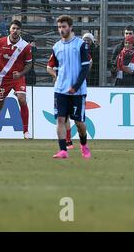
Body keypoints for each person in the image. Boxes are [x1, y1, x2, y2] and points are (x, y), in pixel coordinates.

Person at [46, 15, 91, 159]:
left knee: (79, 123)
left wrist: (76, 86)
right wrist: (57, 77)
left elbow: (85, 68)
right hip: (60, 90)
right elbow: (52, 67)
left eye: (64, 27)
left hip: (77, 91)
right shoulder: (56, 46)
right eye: (59, 27)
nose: (61, 30)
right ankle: (63, 150)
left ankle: (84, 144)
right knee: (60, 120)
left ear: (70, 27)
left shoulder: (80, 45)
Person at [0, 20, 32, 140]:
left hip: (17, 78)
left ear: (20, 30)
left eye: (17, 29)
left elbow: (29, 64)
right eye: (13, 28)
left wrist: (20, 73)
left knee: (22, 99)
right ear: (10, 29)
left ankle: (25, 131)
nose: (15, 31)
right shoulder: (1, 42)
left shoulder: (25, 46)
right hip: (3, 78)